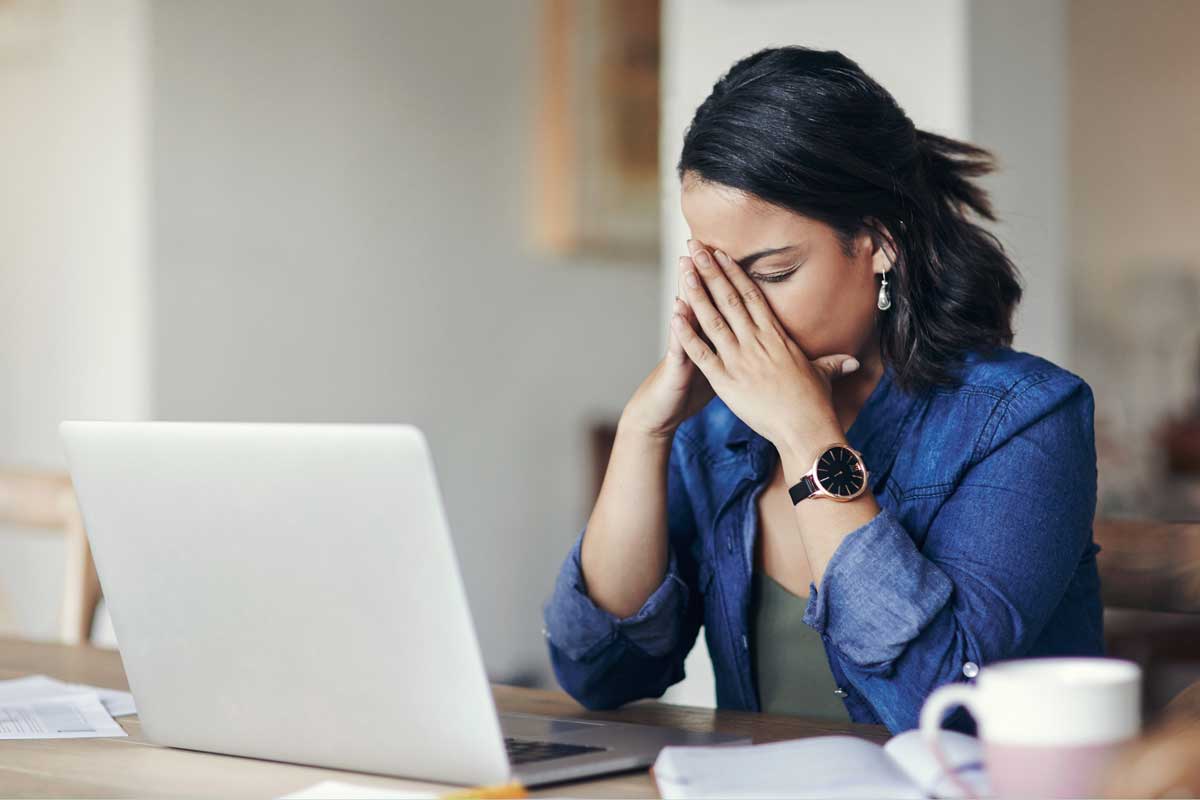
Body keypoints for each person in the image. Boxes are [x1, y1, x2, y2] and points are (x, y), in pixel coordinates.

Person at [542, 45, 1102, 733]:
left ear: (878, 242)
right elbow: (600, 673)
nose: (740, 310)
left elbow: (935, 708)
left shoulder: (1024, 419)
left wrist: (806, 435)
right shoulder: (717, 431)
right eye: (718, 274)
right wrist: (644, 432)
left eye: (772, 273)